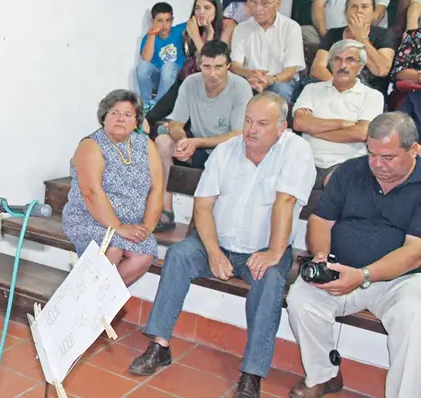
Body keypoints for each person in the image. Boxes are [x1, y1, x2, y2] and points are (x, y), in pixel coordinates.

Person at [129, 92, 316, 398]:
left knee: (269, 282)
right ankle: (159, 345)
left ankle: (252, 373)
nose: (251, 130)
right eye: (248, 121)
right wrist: (213, 252)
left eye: (262, 124)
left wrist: (273, 252)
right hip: (217, 242)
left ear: (281, 127)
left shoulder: (296, 151)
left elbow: (285, 202)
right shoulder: (227, 150)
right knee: (178, 255)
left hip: (265, 250)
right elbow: (203, 206)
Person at [286, 112, 421, 398]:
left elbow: (414, 251)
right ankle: (324, 375)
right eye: (372, 154)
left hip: (402, 280)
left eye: (388, 157)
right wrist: (322, 255)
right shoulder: (350, 171)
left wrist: (363, 276)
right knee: (301, 299)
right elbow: (321, 221)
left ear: (414, 150)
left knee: (416, 317)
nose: (378, 165)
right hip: (342, 268)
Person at [62, 90, 163, 286]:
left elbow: (157, 188)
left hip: (129, 223)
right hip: (89, 218)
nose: (120, 119)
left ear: (136, 121)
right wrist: (118, 227)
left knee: (144, 254)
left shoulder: (146, 144)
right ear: (104, 117)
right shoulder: (91, 145)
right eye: (114, 113)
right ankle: (82, 302)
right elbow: (91, 192)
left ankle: (97, 302)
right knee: (113, 248)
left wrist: (147, 227)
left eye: (127, 115)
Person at [154, 40, 252, 230]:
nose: (212, 73)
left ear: (228, 66)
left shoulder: (241, 87)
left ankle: (201, 220)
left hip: (228, 149)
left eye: (218, 67)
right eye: (206, 67)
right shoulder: (191, 82)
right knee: (162, 141)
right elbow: (175, 123)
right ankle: (166, 211)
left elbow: (238, 135)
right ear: (200, 65)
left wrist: (197, 142)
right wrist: (182, 141)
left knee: (227, 154)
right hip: (198, 146)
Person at [295, 39, 385, 188]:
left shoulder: (372, 96)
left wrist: (314, 130)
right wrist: (342, 124)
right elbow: (300, 123)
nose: (343, 66)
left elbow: (361, 133)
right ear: (331, 64)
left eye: (350, 60)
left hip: (346, 163)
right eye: (337, 59)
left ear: (361, 66)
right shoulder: (311, 89)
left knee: (336, 185)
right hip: (306, 161)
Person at [145, 0, 234, 132]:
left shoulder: (227, 25)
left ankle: (156, 120)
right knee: (185, 77)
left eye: (207, 8)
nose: (201, 12)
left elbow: (213, 59)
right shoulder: (195, 27)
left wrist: (197, 35)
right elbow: (199, 60)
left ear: (217, 10)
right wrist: (203, 35)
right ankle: (151, 120)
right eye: (197, 8)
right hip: (196, 73)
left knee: (188, 79)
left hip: (216, 74)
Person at [309, 0, 396, 100]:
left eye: (364, 7)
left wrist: (362, 38)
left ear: (373, 12)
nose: (359, 11)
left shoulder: (384, 35)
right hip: (333, 90)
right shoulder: (333, 34)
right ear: (346, 12)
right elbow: (317, 68)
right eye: (354, 6)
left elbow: (382, 70)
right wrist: (340, 86)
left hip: (369, 95)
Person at [229, 0, 306, 104]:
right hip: (251, 79)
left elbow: (290, 71)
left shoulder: (291, 27)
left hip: (281, 80)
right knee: (237, 87)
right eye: (254, 2)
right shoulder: (241, 29)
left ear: (278, 4)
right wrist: (251, 74)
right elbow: (235, 65)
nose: (258, 8)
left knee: (278, 89)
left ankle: (278, 123)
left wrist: (271, 79)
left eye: (264, 4)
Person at [137, 2, 187, 108]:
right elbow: (146, 59)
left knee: (168, 66)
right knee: (142, 66)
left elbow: (196, 21)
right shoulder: (148, 37)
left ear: (172, 20)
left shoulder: (179, 30)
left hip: (175, 76)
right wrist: (152, 35)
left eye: (168, 20)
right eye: (159, 21)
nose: (164, 25)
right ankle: (146, 105)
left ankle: (158, 105)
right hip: (158, 79)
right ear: (152, 21)